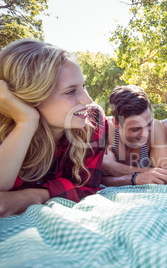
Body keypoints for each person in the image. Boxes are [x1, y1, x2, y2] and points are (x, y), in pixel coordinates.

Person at [0, 39, 108, 217]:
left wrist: (33, 195)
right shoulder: (6, 129)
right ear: (30, 98)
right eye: (71, 91)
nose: (88, 100)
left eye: (84, 86)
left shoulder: (93, 120)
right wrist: (26, 121)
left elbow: (87, 187)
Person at [101, 85, 167, 186]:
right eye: (135, 129)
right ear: (117, 124)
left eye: (148, 124)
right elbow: (96, 178)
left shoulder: (155, 127)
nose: (145, 134)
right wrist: (137, 178)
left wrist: (114, 168)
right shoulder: (104, 129)